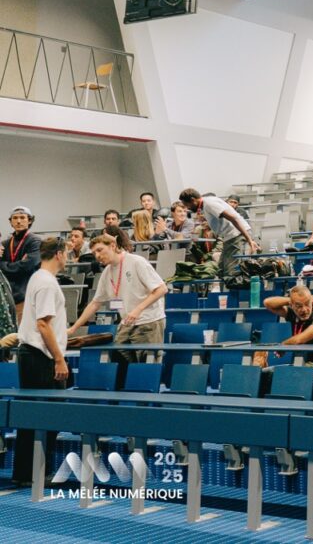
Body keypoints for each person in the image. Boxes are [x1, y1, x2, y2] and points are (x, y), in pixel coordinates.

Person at [13, 238, 69, 485]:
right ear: (59, 254)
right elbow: (43, 324)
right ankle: (35, 473)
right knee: (47, 417)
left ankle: (26, 473)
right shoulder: (47, 282)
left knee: (32, 418)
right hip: (41, 356)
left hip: (31, 353)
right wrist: (59, 358)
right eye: (66, 253)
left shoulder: (37, 277)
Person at [68, 233, 168, 368]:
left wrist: (138, 309)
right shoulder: (107, 272)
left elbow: (161, 289)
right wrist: (74, 328)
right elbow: (95, 303)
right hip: (127, 323)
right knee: (120, 355)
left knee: (146, 365)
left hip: (149, 321)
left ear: (113, 246)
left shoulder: (136, 262)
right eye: (94, 253)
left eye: (100, 250)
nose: (97, 256)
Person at [179, 189, 259, 275]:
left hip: (236, 235)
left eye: (186, 205)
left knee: (232, 272)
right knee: (221, 270)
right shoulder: (206, 203)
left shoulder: (209, 204)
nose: (187, 208)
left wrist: (249, 240)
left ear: (192, 200)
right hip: (230, 237)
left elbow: (233, 218)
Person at [256, 285, 313, 369]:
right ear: (292, 305)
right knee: (264, 373)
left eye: (307, 304)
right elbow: (267, 303)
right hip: (297, 366)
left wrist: (283, 345)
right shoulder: (292, 314)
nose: (304, 309)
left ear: (312, 301)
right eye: (299, 306)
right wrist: (291, 300)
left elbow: (300, 339)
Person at [1, 206, 41, 320]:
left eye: (22, 217)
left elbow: (27, 266)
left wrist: (4, 265)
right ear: (11, 222)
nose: (18, 221)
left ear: (29, 220)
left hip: (26, 295)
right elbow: (21, 266)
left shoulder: (35, 241)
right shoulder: (5, 243)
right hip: (8, 296)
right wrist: (19, 264)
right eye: (15, 218)